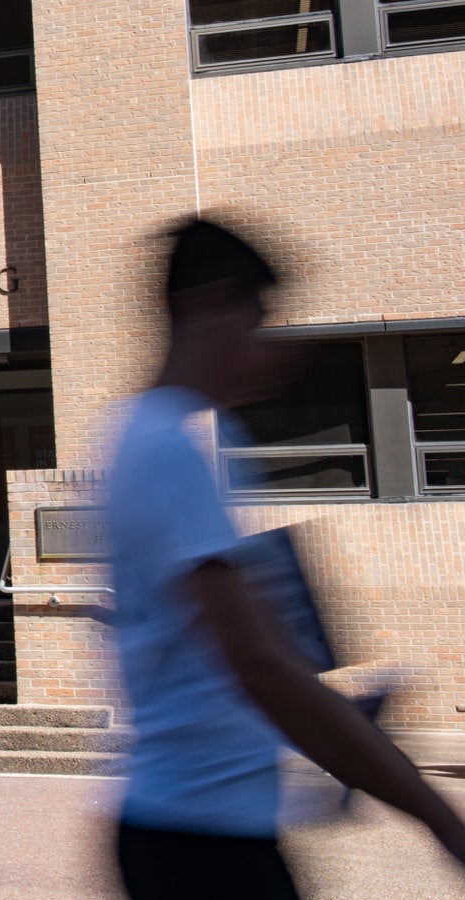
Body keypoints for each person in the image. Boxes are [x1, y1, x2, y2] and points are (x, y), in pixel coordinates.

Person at [106, 217, 465, 898]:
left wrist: (342, 724)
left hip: (188, 827)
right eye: (259, 319)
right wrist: (442, 821)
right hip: (203, 845)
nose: (271, 350)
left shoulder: (136, 435)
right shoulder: (173, 449)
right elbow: (260, 667)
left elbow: (230, 661)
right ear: (208, 304)